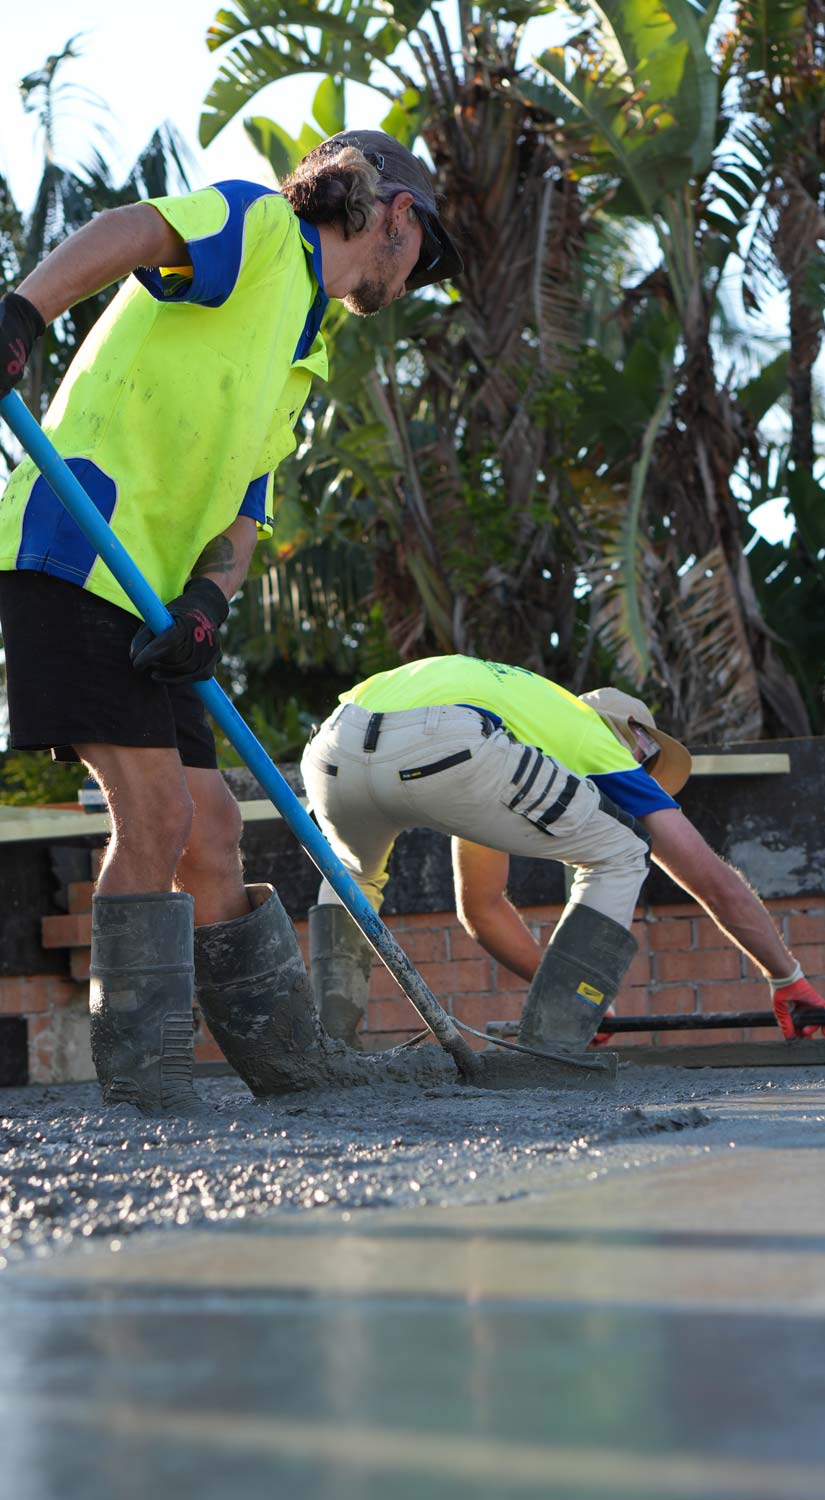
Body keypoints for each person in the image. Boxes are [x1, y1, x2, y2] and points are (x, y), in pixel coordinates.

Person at [0, 132, 463, 1114]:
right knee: (158, 816)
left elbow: (243, 510)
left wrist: (211, 603)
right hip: (77, 552)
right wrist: (21, 310)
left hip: (159, 603)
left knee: (212, 828)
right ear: (397, 215)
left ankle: (289, 1067)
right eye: (426, 254)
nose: (419, 278)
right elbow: (132, 230)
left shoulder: (299, 341)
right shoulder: (257, 225)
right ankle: (145, 1080)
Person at [301, 655, 825, 1056]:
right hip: (451, 740)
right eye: (645, 767)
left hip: (333, 747)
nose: (641, 784)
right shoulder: (592, 736)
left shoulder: (522, 722)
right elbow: (710, 878)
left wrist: (571, 990)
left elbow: (481, 908)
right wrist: (788, 979)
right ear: (634, 740)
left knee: (351, 874)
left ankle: (331, 1047)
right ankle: (555, 1049)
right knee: (623, 850)